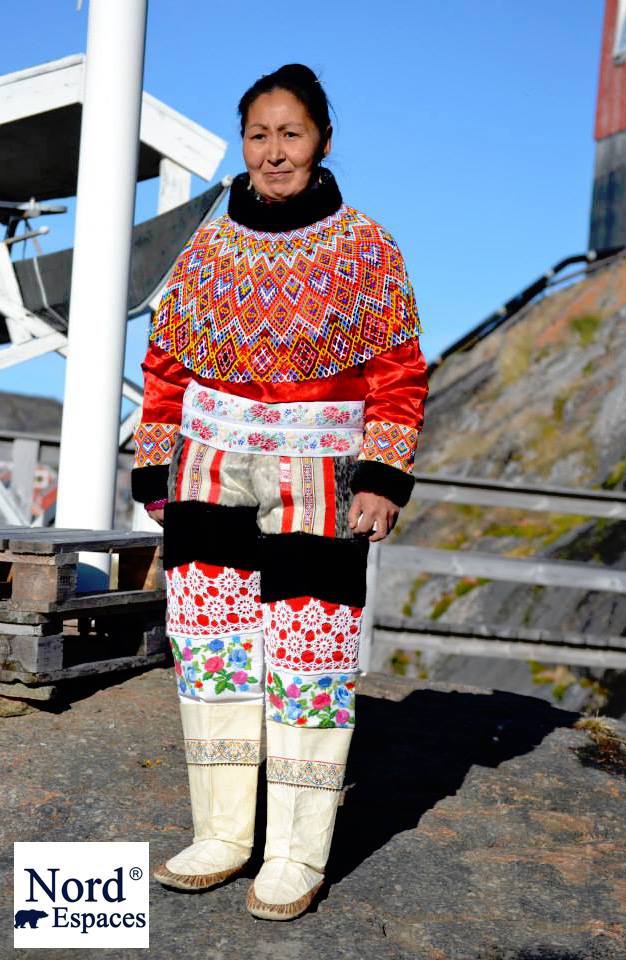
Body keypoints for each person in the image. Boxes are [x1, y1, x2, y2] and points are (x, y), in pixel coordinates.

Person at [131, 63, 428, 921]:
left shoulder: (367, 247)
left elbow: (399, 372)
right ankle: (222, 834)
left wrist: (382, 476)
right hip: (208, 470)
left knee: (308, 657)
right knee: (213, 649)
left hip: (320, 472)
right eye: (257, 135)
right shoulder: (207, 248)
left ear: (323, 140)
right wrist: (156, 464)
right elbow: (165, 364)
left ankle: (295, 851)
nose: (272, 152)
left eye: (289, 133)